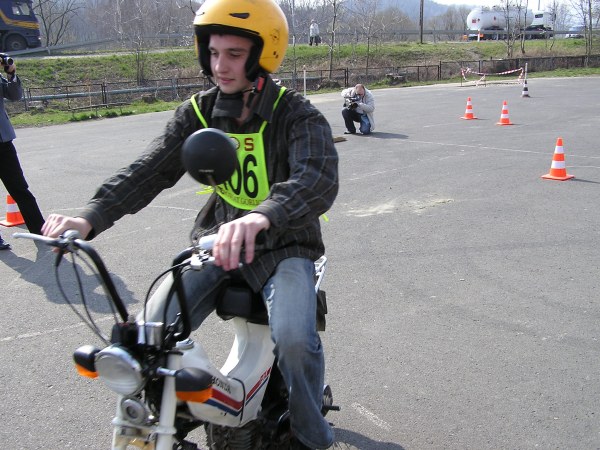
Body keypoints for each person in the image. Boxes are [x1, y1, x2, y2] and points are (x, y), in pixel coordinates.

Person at [42, 0, 338, 449]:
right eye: (213, 52)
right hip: (219, 242)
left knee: (296, 339)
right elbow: (149, 170)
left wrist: (262, 215)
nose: (220, 66)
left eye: (234, 54)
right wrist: (89, 216)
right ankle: (161, 421)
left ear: (262, 55)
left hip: (286, 246)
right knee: (149, 332)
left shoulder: (296, 114)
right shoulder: (199, 113)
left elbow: (317, 178)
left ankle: (313, 435)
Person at [0, 53, 45, 238]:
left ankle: (40, 229)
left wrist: (11, 74)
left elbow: (14, 95)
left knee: (19, 187)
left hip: (3, 142)